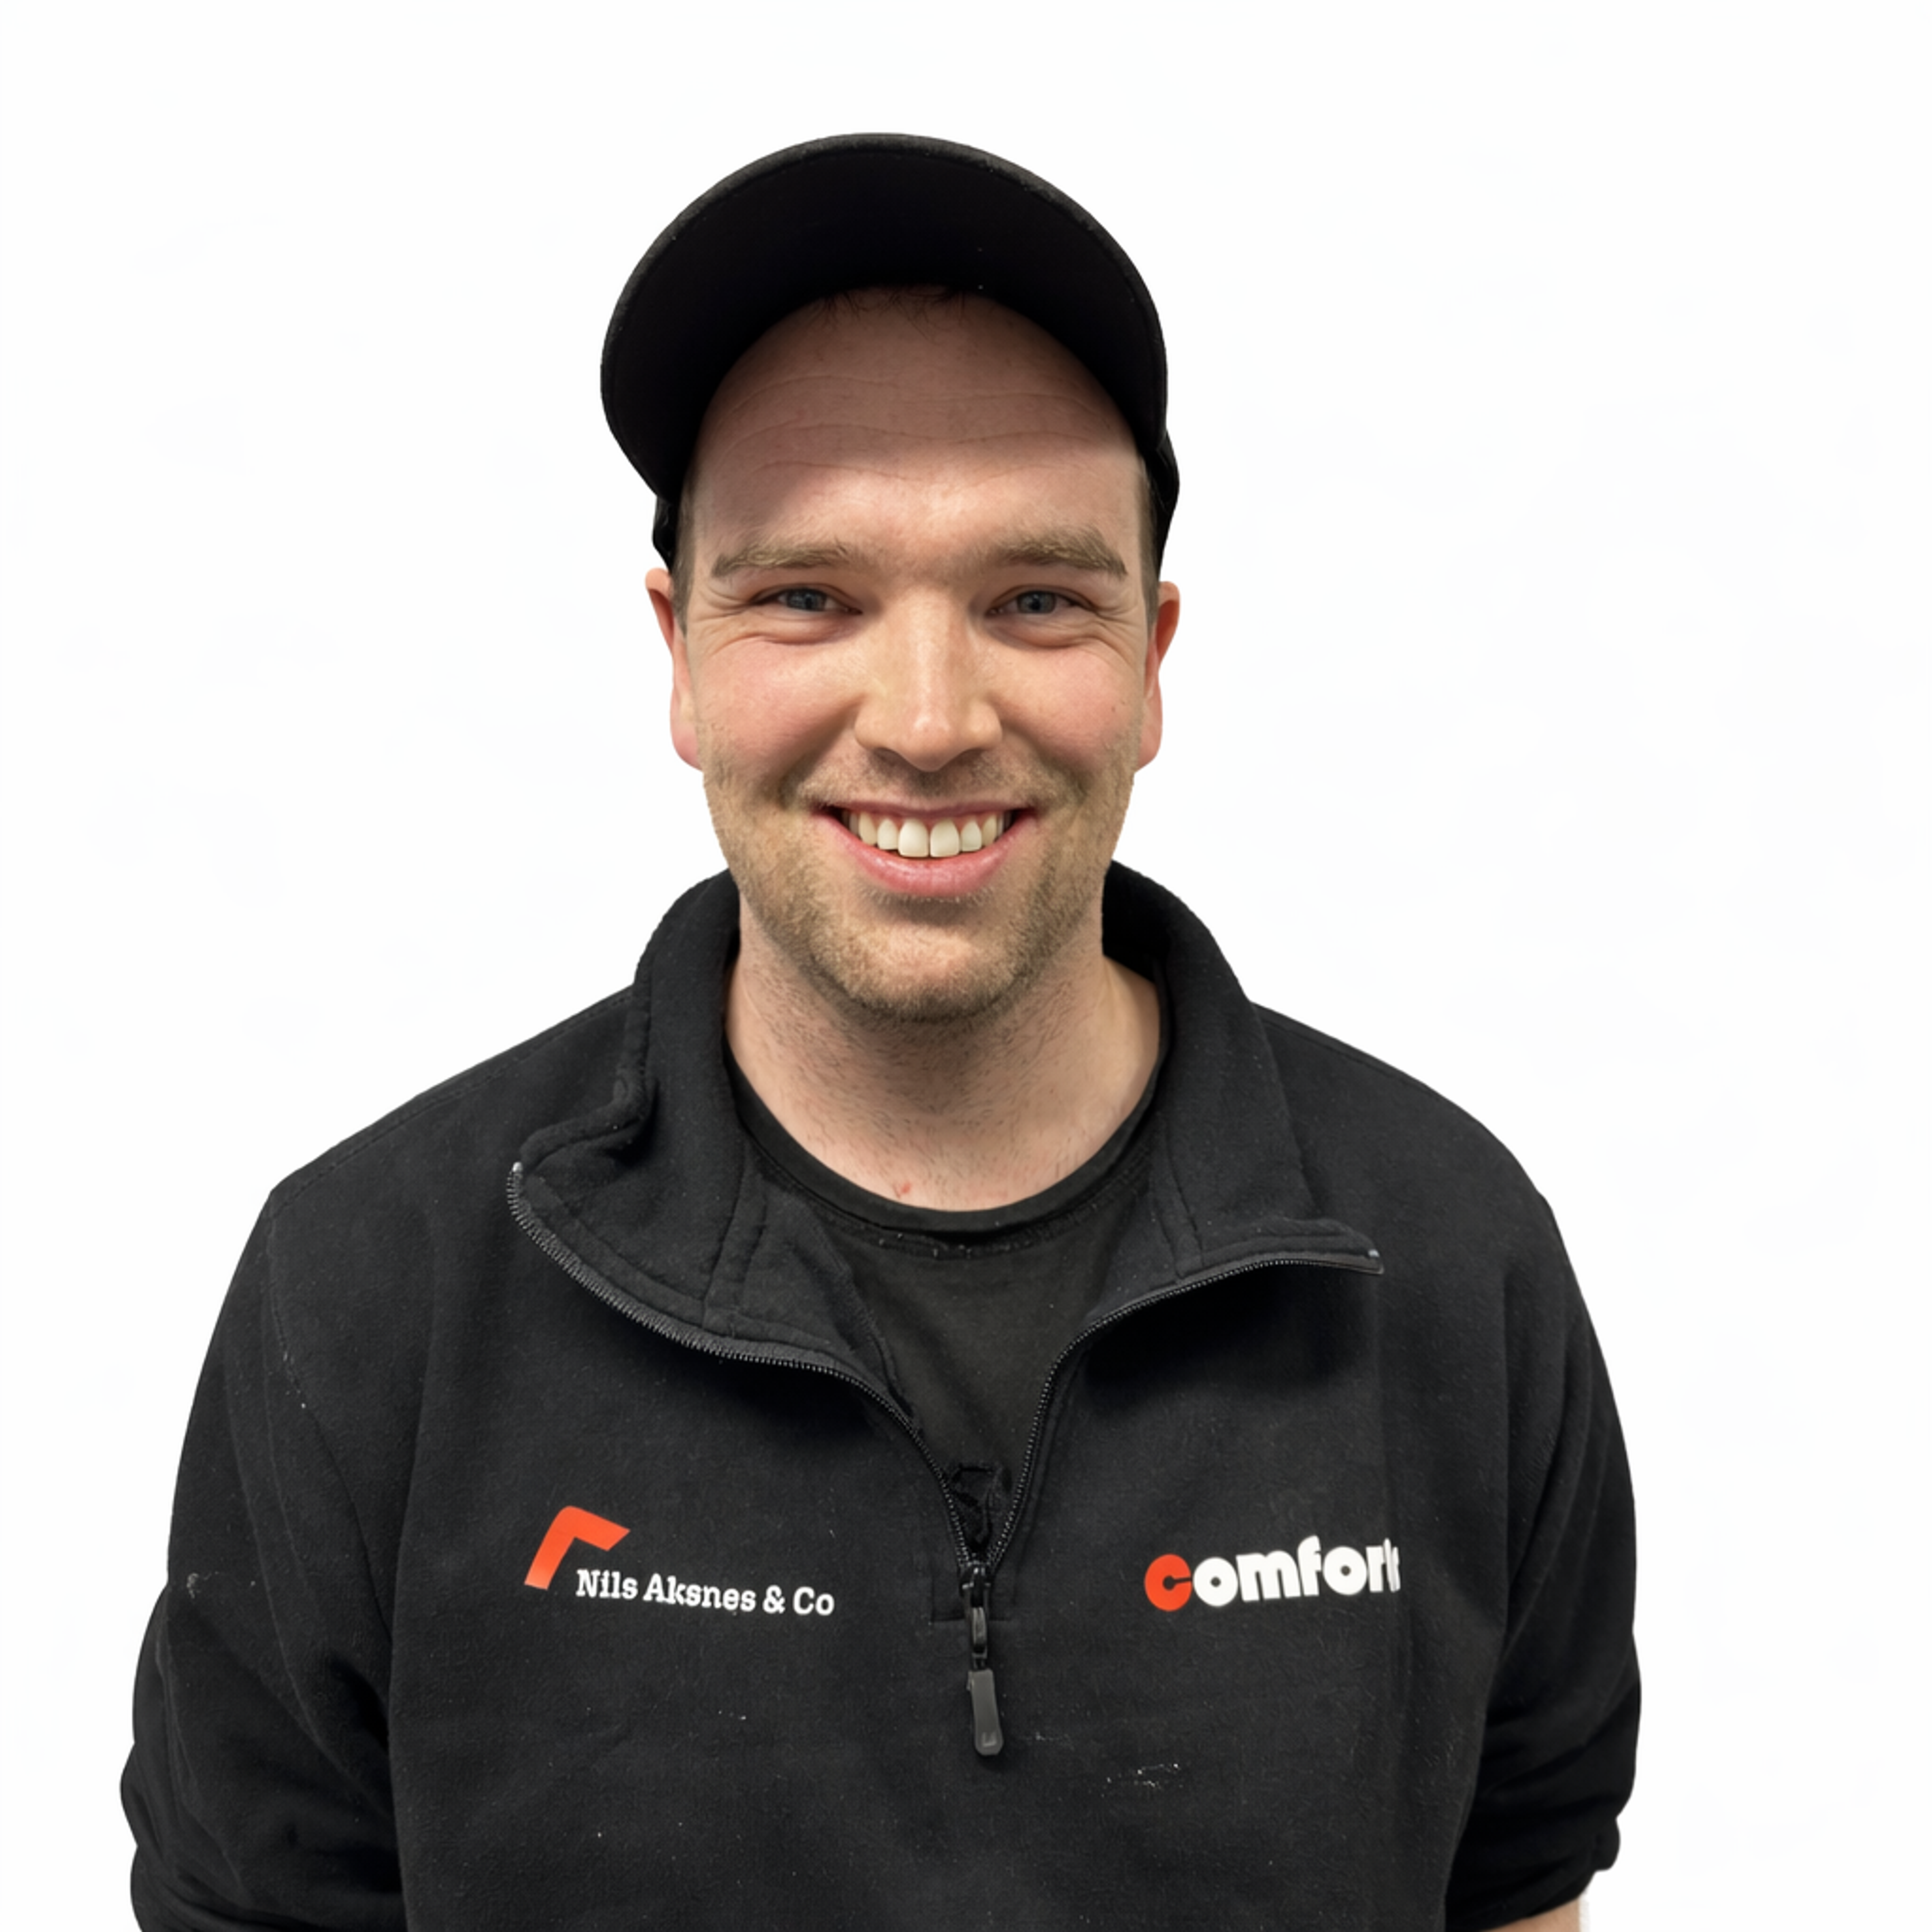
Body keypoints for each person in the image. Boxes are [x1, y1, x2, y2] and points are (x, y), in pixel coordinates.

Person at [123, 134, 1637, 1931]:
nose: (927, 721)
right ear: (680, 655)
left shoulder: (1444, 1261)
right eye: (809, 598)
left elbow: (1521, 1884)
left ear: (1154, 661)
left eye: (1036, 601)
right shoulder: (377, 1290)